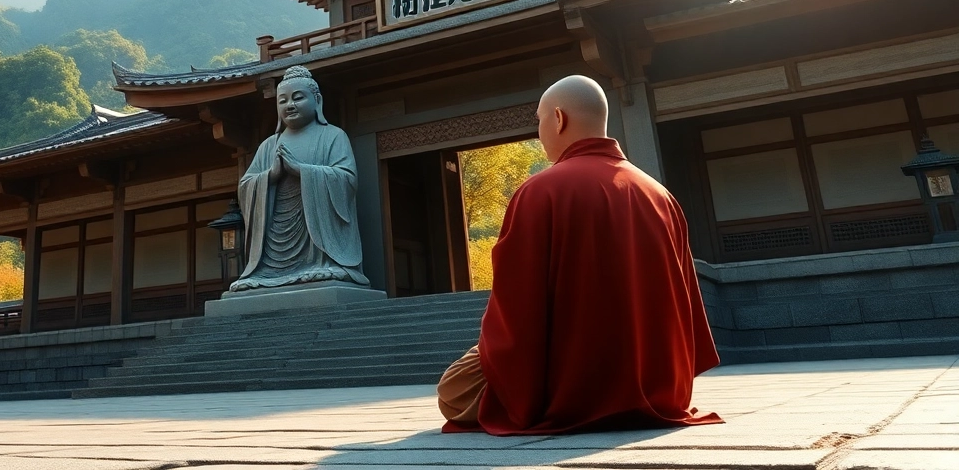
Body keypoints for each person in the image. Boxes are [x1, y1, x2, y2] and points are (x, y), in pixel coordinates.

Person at [438, 75, 721, 435]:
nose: (539, 132)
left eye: (539, 120)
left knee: (452, 389)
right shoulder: (661, 196)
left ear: (558, 119)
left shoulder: (539, 191)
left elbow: (516, 311)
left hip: (567, 390)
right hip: (659, 389)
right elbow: (687, 309)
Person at [232, 65, 370, 291]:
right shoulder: (268, 146)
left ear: (317, 100)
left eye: (298, 98)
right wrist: (271, 175)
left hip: (318, 240)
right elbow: (246, 185)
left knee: (325, 272)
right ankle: (269, 272)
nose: (290, 105)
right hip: (276, 235)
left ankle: (325, 264)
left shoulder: (333, 136)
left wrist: (302, 170)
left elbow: (347, 179)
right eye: (282, 101)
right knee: (254, 281)